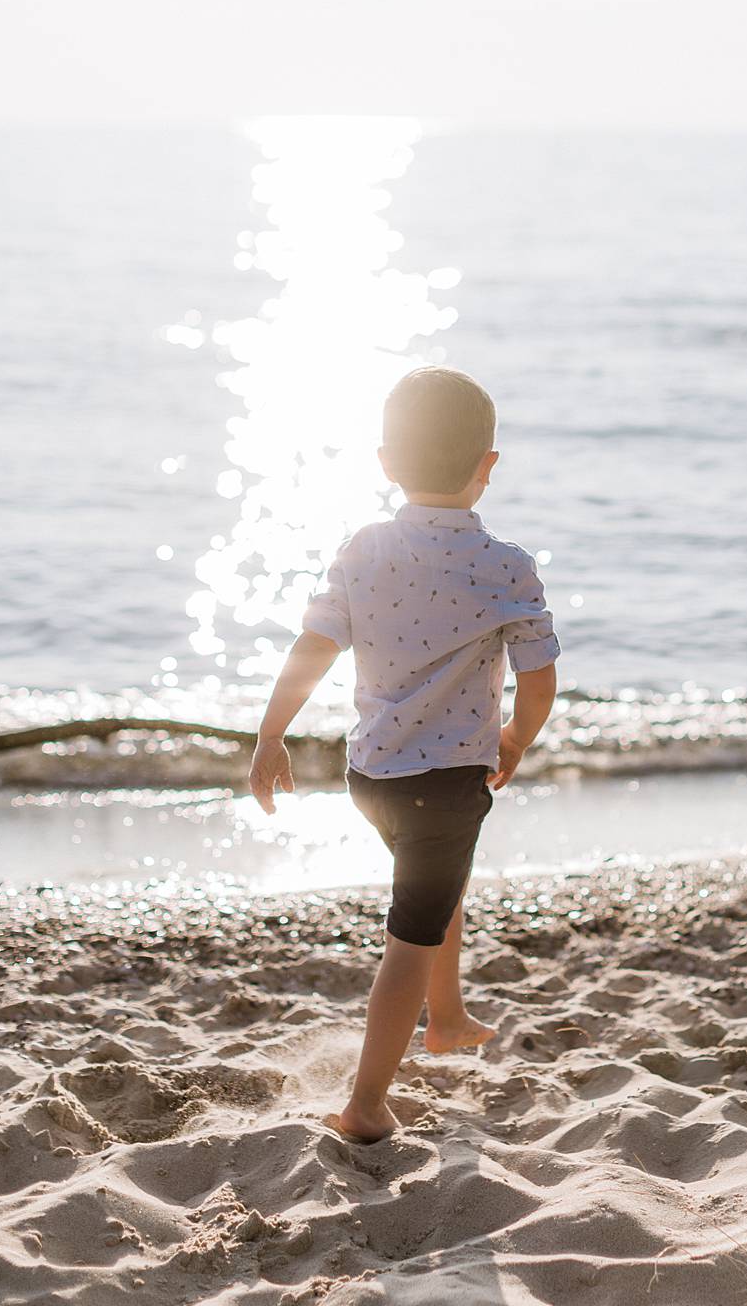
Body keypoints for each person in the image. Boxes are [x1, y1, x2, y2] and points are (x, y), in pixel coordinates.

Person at [248, 366, 559, 1142]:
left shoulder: (364, 551)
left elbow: (313, 648)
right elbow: (541, 679)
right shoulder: (507, 567)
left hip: (373, 776)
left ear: (387, 461)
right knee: (409, 939)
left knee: (432, 885)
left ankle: (448, 1018)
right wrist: (518, 737)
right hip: (447, 783)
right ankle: (365, 1103)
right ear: (487, 467)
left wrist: (270, 734)